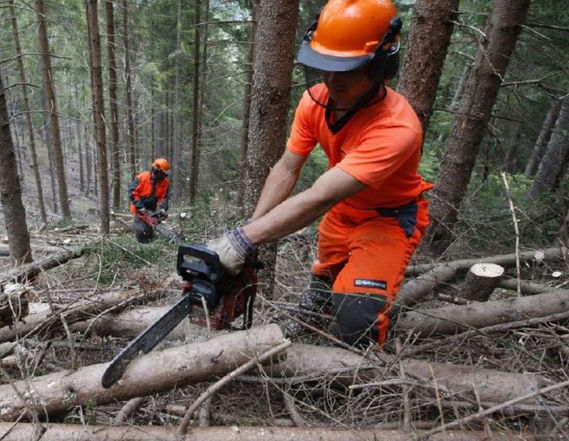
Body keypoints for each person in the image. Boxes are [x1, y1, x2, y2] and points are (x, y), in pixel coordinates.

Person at [207, 0, 432, 348]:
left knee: (357, 318)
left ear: (380, 65)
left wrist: (243, 239)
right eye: (325, 67)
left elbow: (319, 196)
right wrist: (251, 230)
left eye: (346, 70)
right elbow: (287, 167)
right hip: (341, 215)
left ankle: (361, 377)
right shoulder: (315, 101)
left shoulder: (396, 128)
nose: (331, 79)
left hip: (386, 220)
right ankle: (318, 308)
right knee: (325, 282)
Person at [129, 158, 171, 243]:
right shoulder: (142, 177)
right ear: (156, 171)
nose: (164, 176)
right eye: (163, 174)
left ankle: (151, 246)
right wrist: (140, 207)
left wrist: (163, 208)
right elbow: (132, 192)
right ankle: (140, 249)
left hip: (152, 208)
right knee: (142, 232)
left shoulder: (164, 182)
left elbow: (165, 196)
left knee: (150, 233)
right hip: (138, 209)